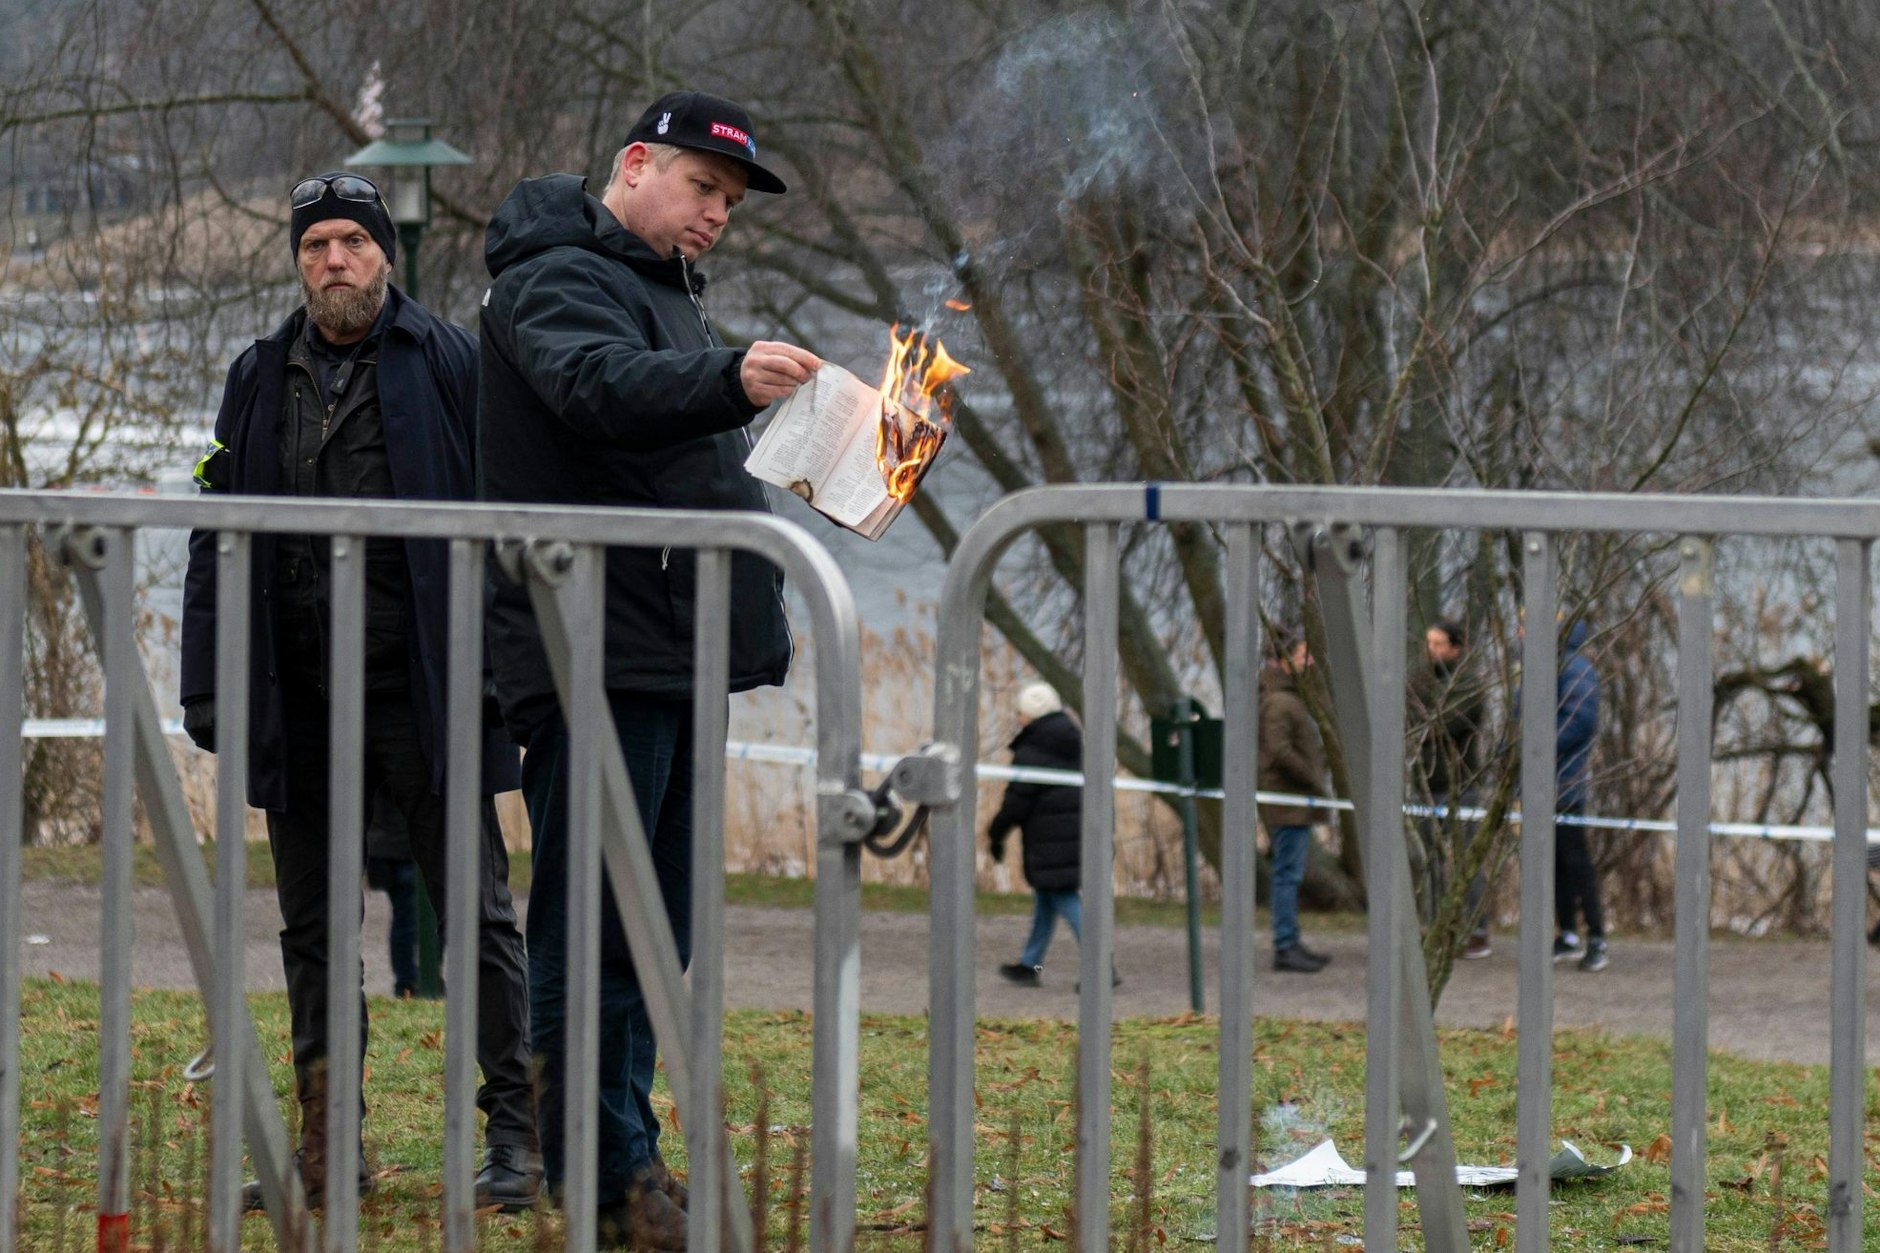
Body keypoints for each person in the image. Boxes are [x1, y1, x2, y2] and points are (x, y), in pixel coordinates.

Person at [477, 90, 812, 1249]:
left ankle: (625, 1149)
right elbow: (596, 391)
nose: (715, 215)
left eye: (727, 202)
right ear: (632, 167)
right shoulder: (553, 279)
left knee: (651, 921)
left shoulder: (663, 294)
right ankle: (601, 1171)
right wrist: (729, 380)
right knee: (593, 918)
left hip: (667, 648)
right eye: (702, 188)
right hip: (592, 651)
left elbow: (679, 466)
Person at [178, 172, 541, 1212]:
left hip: (423, 690)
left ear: (384, 252)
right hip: (295, 696)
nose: (333, 260)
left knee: (475, 917)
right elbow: (215, 531)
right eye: (315, 246)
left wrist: (499, 675)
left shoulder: (453, 365)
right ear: (297, 260)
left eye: (351, 242)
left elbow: (504, 529)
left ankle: (515, 1136)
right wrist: (210, 681)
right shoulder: (255, 377)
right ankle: (332, 1148)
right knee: (311, 930)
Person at [987, 683, 1085, 987]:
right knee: (1047, 897)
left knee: (1064, 897)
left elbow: (1017, 799)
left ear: (1032, 715)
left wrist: (996, 832)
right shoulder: (1071, 739)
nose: (1019, 718)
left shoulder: (1033, 749)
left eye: (1022, 713)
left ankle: (1101, 963)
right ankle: (1031, 966)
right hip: (1072, 830)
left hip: (1048, 836)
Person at [1410, 619, 1490, 958]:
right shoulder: (1420, 681)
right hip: (1424, 785)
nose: (1432, 651)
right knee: (1425, 858)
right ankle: (1435, 924)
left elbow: (1441, 724)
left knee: (1466, 861)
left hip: (1461, 785)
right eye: (1429, 643)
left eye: (1439, 644)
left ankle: (1475, 930)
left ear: (1456, 649)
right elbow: (1409, 719)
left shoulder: (1470, 685)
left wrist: (1423, 719)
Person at [1257, 630, 1332, 973]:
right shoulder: (1278, 701)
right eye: (1303, 655)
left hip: (1292, 799)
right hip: (1287, 800)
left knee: (1289, 872)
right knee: (1287, 874)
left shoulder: (1285, 696)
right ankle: (1285, 945)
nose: (1310, 661)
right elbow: (1279, 750)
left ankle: (1291, 940)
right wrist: (1312, 779)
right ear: (1285, 660)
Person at [1550, 618, 1608, 972]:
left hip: (1565, 783)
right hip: (1541, 785)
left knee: (1576, 861)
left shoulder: (1575, 669)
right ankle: (1568, 933)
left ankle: (1597, 937)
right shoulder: (1540, 666)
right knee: (1552, 862)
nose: (1520, 631)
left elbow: (1580, 721)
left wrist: (1537, 749)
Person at [363, 787, 420, 999]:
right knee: (411, 919)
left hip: (383, 847)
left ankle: (408, 982)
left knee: (405, 919)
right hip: (401, 849)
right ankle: (411, 981)